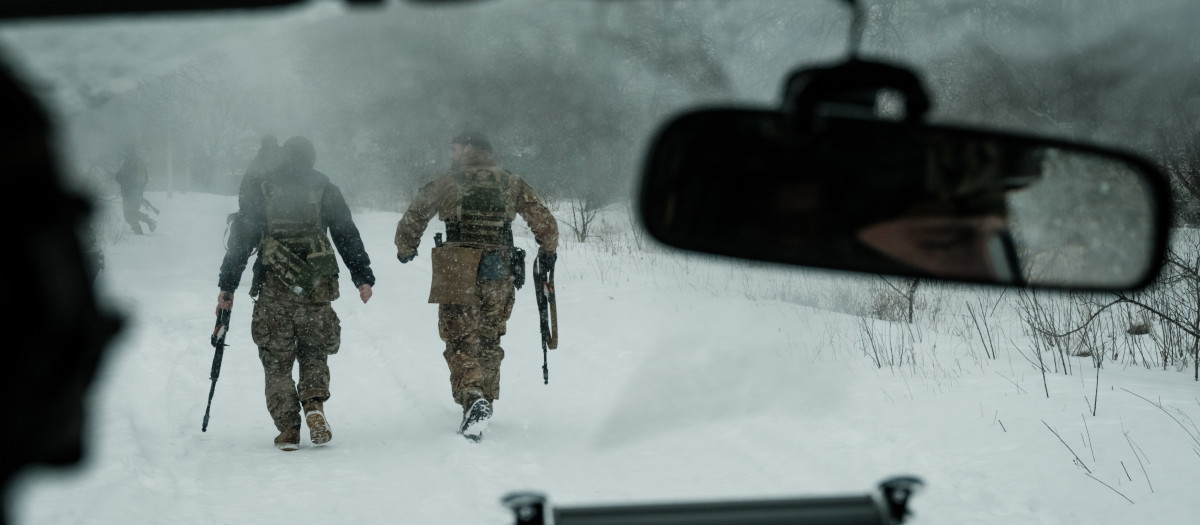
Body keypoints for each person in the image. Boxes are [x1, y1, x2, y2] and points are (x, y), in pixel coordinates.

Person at [394, 131, 558, 442]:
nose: (452, 153)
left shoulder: (447, 181)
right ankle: (486, 403)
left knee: (459, 339)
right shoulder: (511, 181)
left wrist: (405, 248)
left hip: (456, 265)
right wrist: (548, 252)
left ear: (470, 148)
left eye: (455, 148)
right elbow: (545, 223)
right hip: (499, 268)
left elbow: (413, 217)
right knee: (489, 337)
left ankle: (473, 397)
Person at [216, 135, 376, 451]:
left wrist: (227, 285)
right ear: (312, 159)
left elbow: (242, 240)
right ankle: (314, 404)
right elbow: (346, 234)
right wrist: (363, 277)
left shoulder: (263, 189)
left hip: (275, 285)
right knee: (314, 350)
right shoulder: (324, 188)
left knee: (276, 360)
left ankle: (288, 428)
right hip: (317, 284)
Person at [113, 146, 156, 234]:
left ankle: (141, 228)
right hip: (135, 193)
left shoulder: (127, 164)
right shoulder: (139, 163)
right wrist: (139, 190)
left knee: (128, 214)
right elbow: (145, 179)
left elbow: (118, 177)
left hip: (129, 193)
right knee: (131, 213)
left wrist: (127, 183)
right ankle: (144, 226)